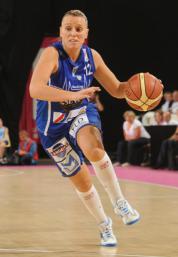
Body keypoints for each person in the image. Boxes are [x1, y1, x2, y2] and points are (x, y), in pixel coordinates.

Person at [29, 10, 141, 247]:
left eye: (78, 29)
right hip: (52, 128)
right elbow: (35, 89)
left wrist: (138, 85)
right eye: (68, 28)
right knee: (82, 181)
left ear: (86, 33)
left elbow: (117, 89)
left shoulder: (93, 56)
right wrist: (75, 94)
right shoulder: (52, 54)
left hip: (80, 113)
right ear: (61, 31)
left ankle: (120, 202)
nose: (73, 33)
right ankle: (104, 225)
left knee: (94, 147)